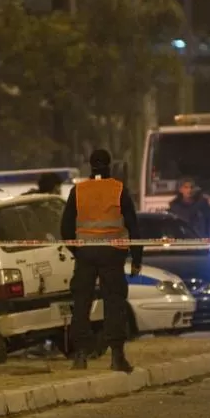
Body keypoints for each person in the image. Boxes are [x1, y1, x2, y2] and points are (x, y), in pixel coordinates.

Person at [60, 149, 142, 373]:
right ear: (109, 165)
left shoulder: (79, 190)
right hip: (112, 253)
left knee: (82, 302)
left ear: (90, 165)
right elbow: (134, 226)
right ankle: (117, 356)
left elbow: (65, 227)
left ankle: (80, 356)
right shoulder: (118, 189)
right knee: (114, 302)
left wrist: (77, 250)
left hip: (85, 253)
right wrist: (136, 258)